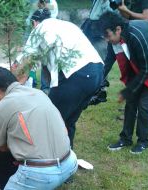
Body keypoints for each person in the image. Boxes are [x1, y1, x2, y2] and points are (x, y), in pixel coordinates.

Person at [14, 9, 104, 149]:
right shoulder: (66, 25)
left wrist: (12, 87)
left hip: (76, 74)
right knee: (68, 120)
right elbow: (47, 65)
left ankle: (49, 160)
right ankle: (67, 159)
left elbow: (24, 64)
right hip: (96, 72)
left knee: (51, 120)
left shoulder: (39, 29)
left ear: (34, 22)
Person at [0, 67, 78, 189]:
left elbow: (2, 147)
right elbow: (65, 130)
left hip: (42, 175)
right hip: (70, 162)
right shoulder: (40, 93)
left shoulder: (1, 107)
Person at [99, 11, 148, 154]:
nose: (107, 39)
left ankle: (143, 141)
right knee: (131, 102)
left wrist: (127, 91)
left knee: (144, 104)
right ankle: (125, 138)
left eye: (108, 36)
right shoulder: (116, 39)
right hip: (138, 64)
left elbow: (146, 70)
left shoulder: (137, 36)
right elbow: (107, 63)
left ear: (118, 29)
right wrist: (97, 81)